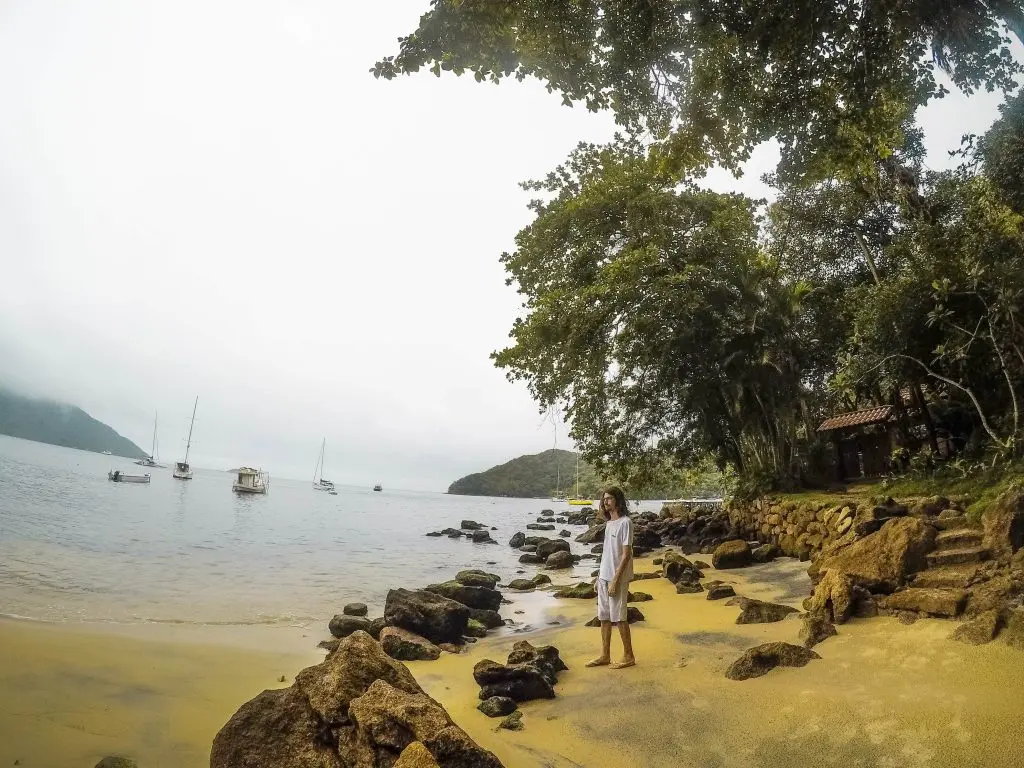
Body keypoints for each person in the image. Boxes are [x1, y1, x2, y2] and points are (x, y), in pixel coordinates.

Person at [586, 486, 636, 669]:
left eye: (609, 499)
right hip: (604, 576)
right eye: (604, 499)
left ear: (618, 500)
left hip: (618, 577)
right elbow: (607, 553)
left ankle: (629, 656)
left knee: (620, 617)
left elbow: (626, 554)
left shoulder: (625, 523)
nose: (605, 502)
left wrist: (615, 579)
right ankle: (605, 655)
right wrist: (599, 577)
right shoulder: (609, 524)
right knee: (604, 617)